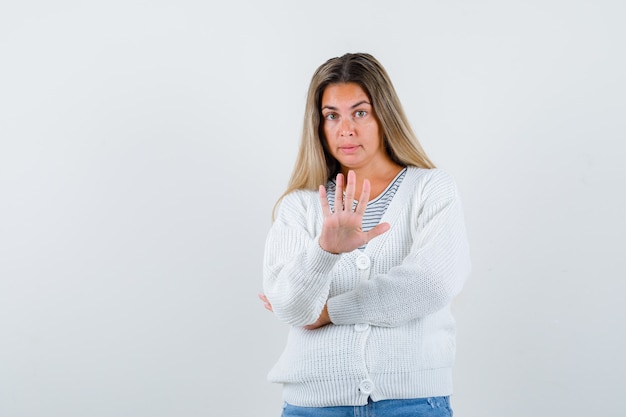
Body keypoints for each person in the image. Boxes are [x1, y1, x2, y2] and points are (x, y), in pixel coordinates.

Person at [259, 52, 471, 417]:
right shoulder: (301, 205)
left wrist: (331, 310)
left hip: (413, 403)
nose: (346, 130)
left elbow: (433, 282)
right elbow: (291, 308)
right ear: (318, 124)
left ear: (383, 114)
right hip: (315, 406)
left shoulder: (431, 189)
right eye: (331, 116)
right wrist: (325, 251)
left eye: (360, 112)